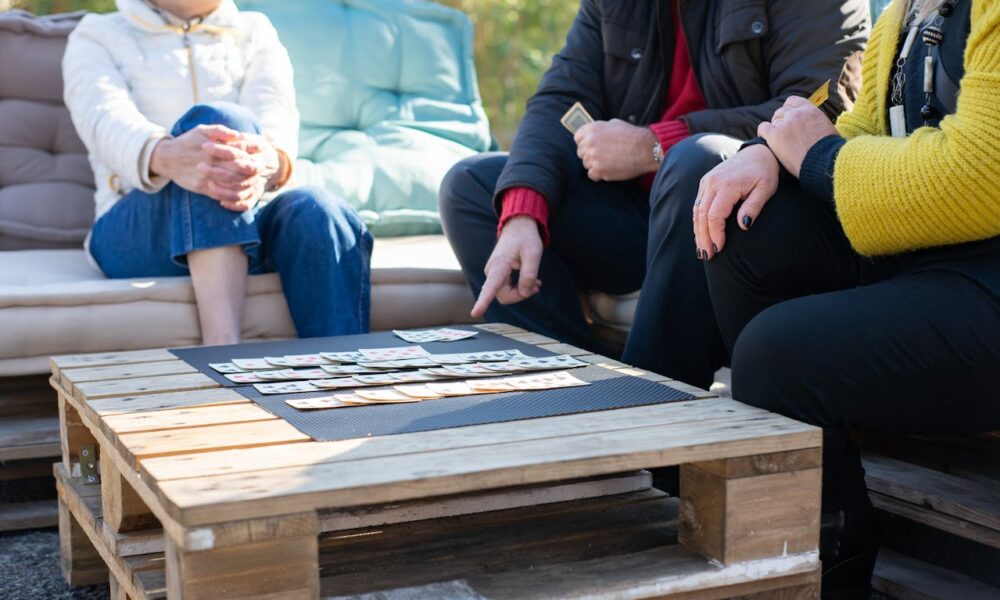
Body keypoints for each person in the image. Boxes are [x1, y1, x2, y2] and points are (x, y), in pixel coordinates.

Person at [693, 0, 1000, 595]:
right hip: (930, 261)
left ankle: (827, 558)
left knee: (775, 356)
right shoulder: (906, 11)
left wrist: (820, 158)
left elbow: (982, 172)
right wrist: (766, 153)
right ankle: (834, 523)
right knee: (749, 224)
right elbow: (859, 131)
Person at [439, 0, 869, 389]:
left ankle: (647, 399)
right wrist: (522, 214)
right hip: (639, 219)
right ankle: (570, 388)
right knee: (473, 185)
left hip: (743, 221)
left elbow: (820, 105)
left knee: (696, 160)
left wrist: (654, 145)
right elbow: (562, 97)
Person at [63, 0, 373, 345]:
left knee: (320, 210)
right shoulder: (97, 34)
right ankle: (222, 351)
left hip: (250, 214)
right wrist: (169, 156)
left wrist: (266, 162)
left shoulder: (255, 31)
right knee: (218, 128)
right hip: (138, 228)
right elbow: (104, 121)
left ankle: (346, 368)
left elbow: (277, 120)